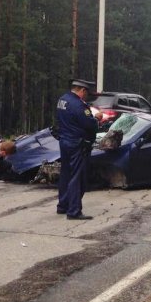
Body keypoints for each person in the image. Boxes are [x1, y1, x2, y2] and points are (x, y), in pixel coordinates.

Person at [56, 78, 102, 220]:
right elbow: (89, 124)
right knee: (77, 177)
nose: (86, 96)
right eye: (86, 93)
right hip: (77, 143)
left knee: (65, 174)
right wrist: (97, 118)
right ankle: (74, 211)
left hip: (64, 141)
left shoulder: (62, 100)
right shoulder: (79, 106)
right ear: (82, 90)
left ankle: (63, 205)